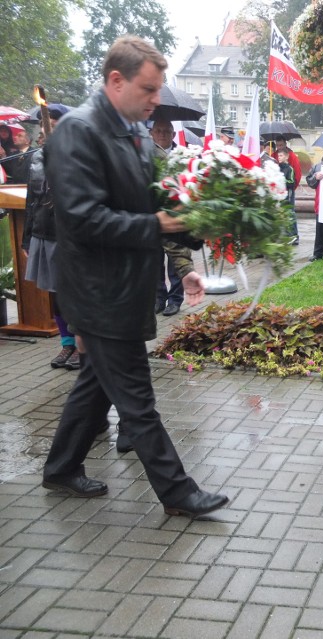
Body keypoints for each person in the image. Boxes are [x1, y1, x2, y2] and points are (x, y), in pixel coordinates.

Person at [40, 35, 228, 518]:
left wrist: (183, 257)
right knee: (138, 401)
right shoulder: (77, 132)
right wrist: (157, 225)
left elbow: (153, 207)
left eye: (158, 89)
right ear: (115, 80)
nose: (156, 99)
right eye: (148, 89)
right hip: (98, 292)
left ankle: (60, 467)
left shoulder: (136, 132)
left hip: (128, 286)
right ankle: (178, 493)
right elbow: (81, 219)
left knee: (97, 384)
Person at [21, 107, 80, 370]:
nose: (48, 129)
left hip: (68, 237)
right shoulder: (36, 159)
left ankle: (81, 345)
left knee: (72, 293)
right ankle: (67, 344)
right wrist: (26, 240)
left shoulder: (77, 157)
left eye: (55, 124)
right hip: (42, 234)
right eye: (47, 125)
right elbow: (31, 201)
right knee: (55, 295)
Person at [150, 118, 190, 317]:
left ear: (174, 135)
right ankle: (159, 298)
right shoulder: (145, 155)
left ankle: (175, 300)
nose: (162, 134)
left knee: (176, 261)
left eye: (167, 131)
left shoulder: (183, 155)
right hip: (154, 216)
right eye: (158, 130)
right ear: (151, 133)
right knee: (155, 260)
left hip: (176, 215)